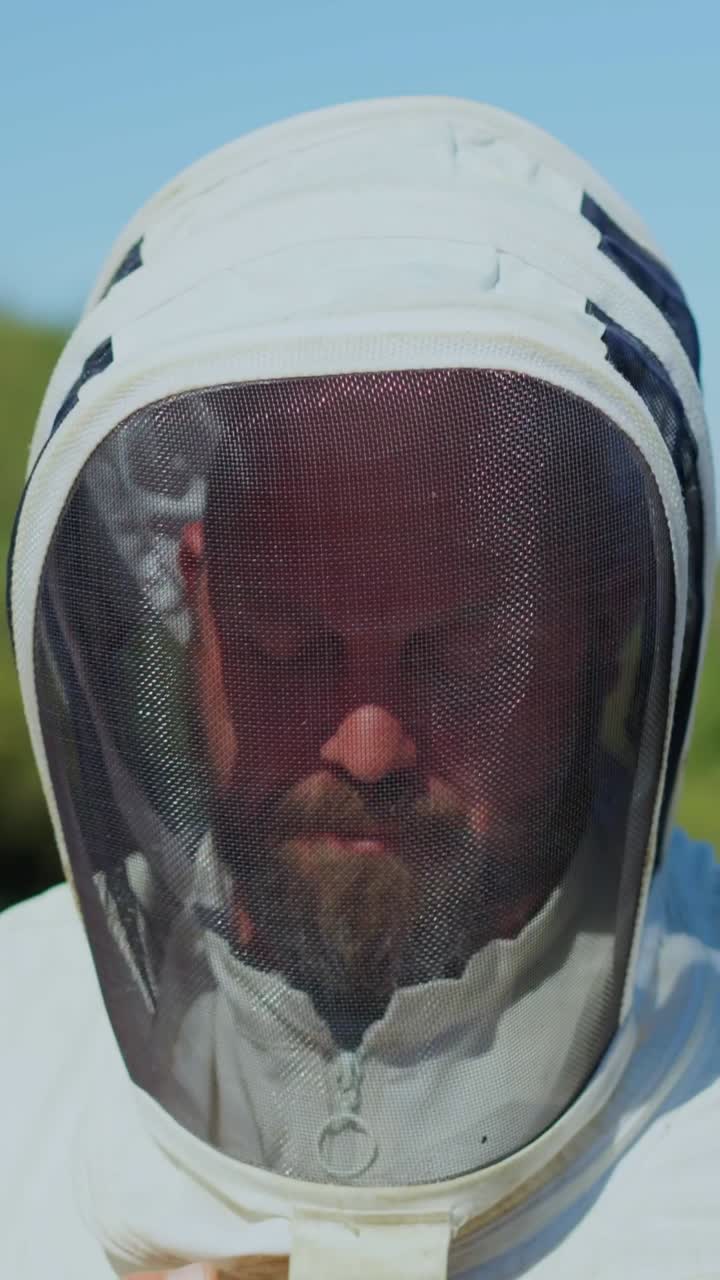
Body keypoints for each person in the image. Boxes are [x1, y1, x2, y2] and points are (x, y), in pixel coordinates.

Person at [2, 97, 718, 1279]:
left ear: (603, 617)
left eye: (460, 652)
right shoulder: (16, 1046)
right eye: (291, 642)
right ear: (198, 602)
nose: (373, 747)